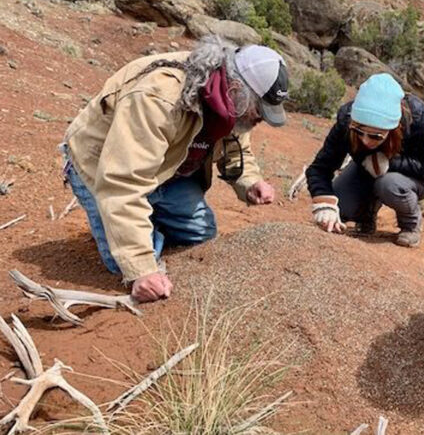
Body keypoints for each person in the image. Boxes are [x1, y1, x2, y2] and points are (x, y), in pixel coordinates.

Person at [61, 36, 289, 302]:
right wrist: (142, 269)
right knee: (125, 264)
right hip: (102, 165)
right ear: (237, 88)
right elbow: (122, 182)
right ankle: (130, 228)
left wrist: (249, 181)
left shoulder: (230, 101)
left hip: (167, 170)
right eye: (259, 109)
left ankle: (138, 223)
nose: (260, 118)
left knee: (201, 234)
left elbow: (235, 142)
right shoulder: (159, 97)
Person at [305, 73, 424, 247]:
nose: (365, 140)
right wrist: (325, 202)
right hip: (366, 168)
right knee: (343, 206)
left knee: (388, 184)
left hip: (417, 176)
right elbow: (319, 168)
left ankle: (410, 225)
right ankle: (366, 216)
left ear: (393, 127)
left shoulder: (420, 118)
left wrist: (391, 163)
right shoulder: (346, 120)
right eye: (358, 131)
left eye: (375, 135)